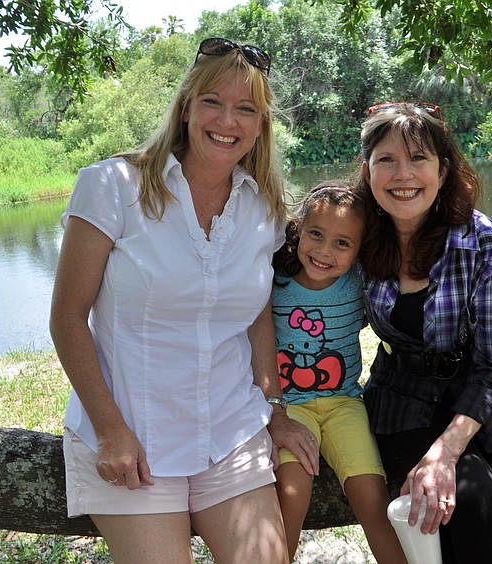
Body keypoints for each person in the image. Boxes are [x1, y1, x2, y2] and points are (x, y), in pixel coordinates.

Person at [49, 38, 319, 563]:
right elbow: (67, 319)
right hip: (133, 436)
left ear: (261, 124)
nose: (228, 120)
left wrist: (275, 408)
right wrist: (110, 430)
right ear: (187, 106)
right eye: (213, 101)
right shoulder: (111, 185)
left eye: (247, 108)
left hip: (230, 430)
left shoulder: (262, 206)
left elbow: (256, 311)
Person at [355, 101, 492, 563]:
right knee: (451, 517)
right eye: (387, 160)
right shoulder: (355, 236)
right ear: (367, 171)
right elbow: (298, 278)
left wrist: (445, 453)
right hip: (404, 399)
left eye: (418, 158)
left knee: (470, 514)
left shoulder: (483, 241)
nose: (403, 175)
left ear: (443, 171)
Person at [271, 182, 408, 563]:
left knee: (372, 499)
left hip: (345, 403)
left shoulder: (360, 284)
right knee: (292, 495)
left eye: (342, 243)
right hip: (289, 406)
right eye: (316, 234)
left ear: (359, 251)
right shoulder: (273, 282)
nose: (324, 251)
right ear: (299, 231)